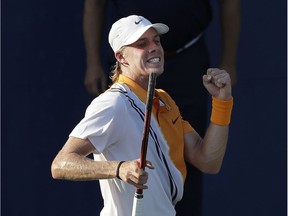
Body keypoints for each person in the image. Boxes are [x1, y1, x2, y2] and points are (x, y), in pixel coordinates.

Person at [51, 15, 233, 216]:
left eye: (156, 40)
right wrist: (118, 169)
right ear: (121, 57)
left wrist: (222, 103)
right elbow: (60, 164)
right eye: (142, 43)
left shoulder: (164, 100)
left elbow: (208, 161)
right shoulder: (113, 103)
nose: (154, 47)